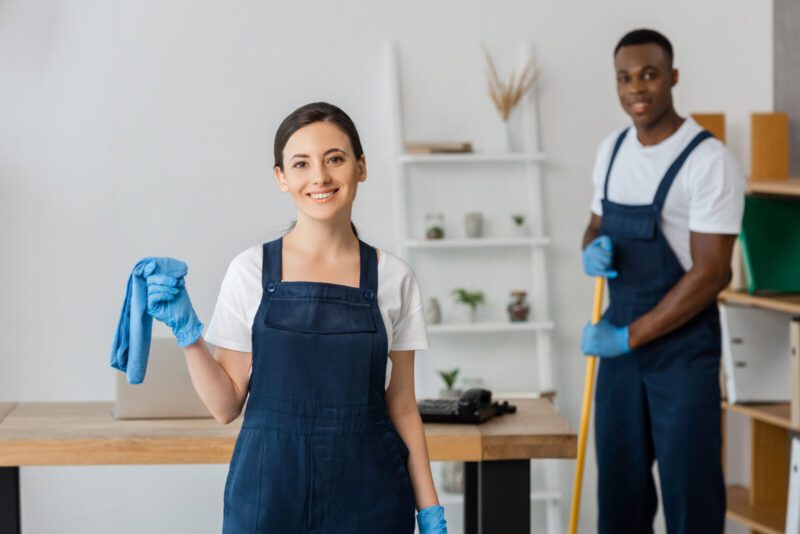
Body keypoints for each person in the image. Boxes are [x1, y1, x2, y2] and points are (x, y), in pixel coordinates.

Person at [146, 102, 448, 533]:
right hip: (269, 498)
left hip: (372, 498)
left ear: (360, 167)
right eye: (301, 164)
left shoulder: (393, 278)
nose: (320, 178)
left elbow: (401, 407)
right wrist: (188, 334)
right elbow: (225, 405)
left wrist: (430, 510)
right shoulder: (250, 271)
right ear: (281, 178)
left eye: (335, 160)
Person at [580, 29, 745, 533]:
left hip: (682, 354)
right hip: (618, 354)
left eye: (649, 75)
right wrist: (591, 248)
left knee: (690, 495)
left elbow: (713, 272)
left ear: (673, 77)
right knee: (620, 496)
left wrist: (628, 336)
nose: (636, 89)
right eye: (625, 78)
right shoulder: (611, 150)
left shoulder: (708, 160)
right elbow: (595, 222)